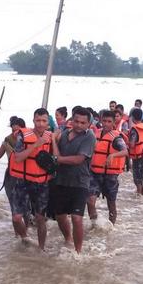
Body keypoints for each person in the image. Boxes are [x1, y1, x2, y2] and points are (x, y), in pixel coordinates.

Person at [50, 106, 96, 253]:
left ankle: (78, 252)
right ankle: (68, 239)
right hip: (61, 180)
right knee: (60, 216)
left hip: (80, 182)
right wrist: (53, 140)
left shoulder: (89, 137)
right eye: (76, 121)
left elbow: (78, 159)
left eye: (83, 123)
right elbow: (55, 154)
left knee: (77, 218)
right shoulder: (64, 134)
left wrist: (58, 159)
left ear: (88, 124)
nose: (79, 125)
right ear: (72, 120)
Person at [10, 108, 54, 250]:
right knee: (17, 218)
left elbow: (56, 156)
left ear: (48, 122)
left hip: (41, 183)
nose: (40, 124)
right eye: (38, 120)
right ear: (33, 120)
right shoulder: (22, 136)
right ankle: (25, 237)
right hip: (22, 181)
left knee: (40, 219)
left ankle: (41, 249)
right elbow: (17, 158)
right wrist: (36, 145)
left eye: (44, 121)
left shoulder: (50, 136)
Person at [0, 116, 32, 236]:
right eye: (13, 130)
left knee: (26, 209)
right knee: (14, 209)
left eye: (17, 130)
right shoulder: (7, 141)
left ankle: (26, 232)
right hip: (11, 178)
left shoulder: (30, 140)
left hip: (26, 177)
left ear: (24, 129)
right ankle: (18, 235)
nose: (15, 133)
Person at [87, 110, 128, 225]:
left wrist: (112, 155)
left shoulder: (117, 138)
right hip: (95, 173)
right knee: (90, 201)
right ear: (100, 121)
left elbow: (125, 151)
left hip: (110, 176)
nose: (106, 124)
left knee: (111, 204)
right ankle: (95, 225)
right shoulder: (95, 134)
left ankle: (111, 227)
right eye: (104, 121)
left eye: (109, 121)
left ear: (114, 123)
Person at [127, 108, 143, 196]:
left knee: (137, 180)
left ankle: (139, 196)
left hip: (138, 158)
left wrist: (126, 141)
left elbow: (132, 144)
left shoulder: (134, 129)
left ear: (132, 117)